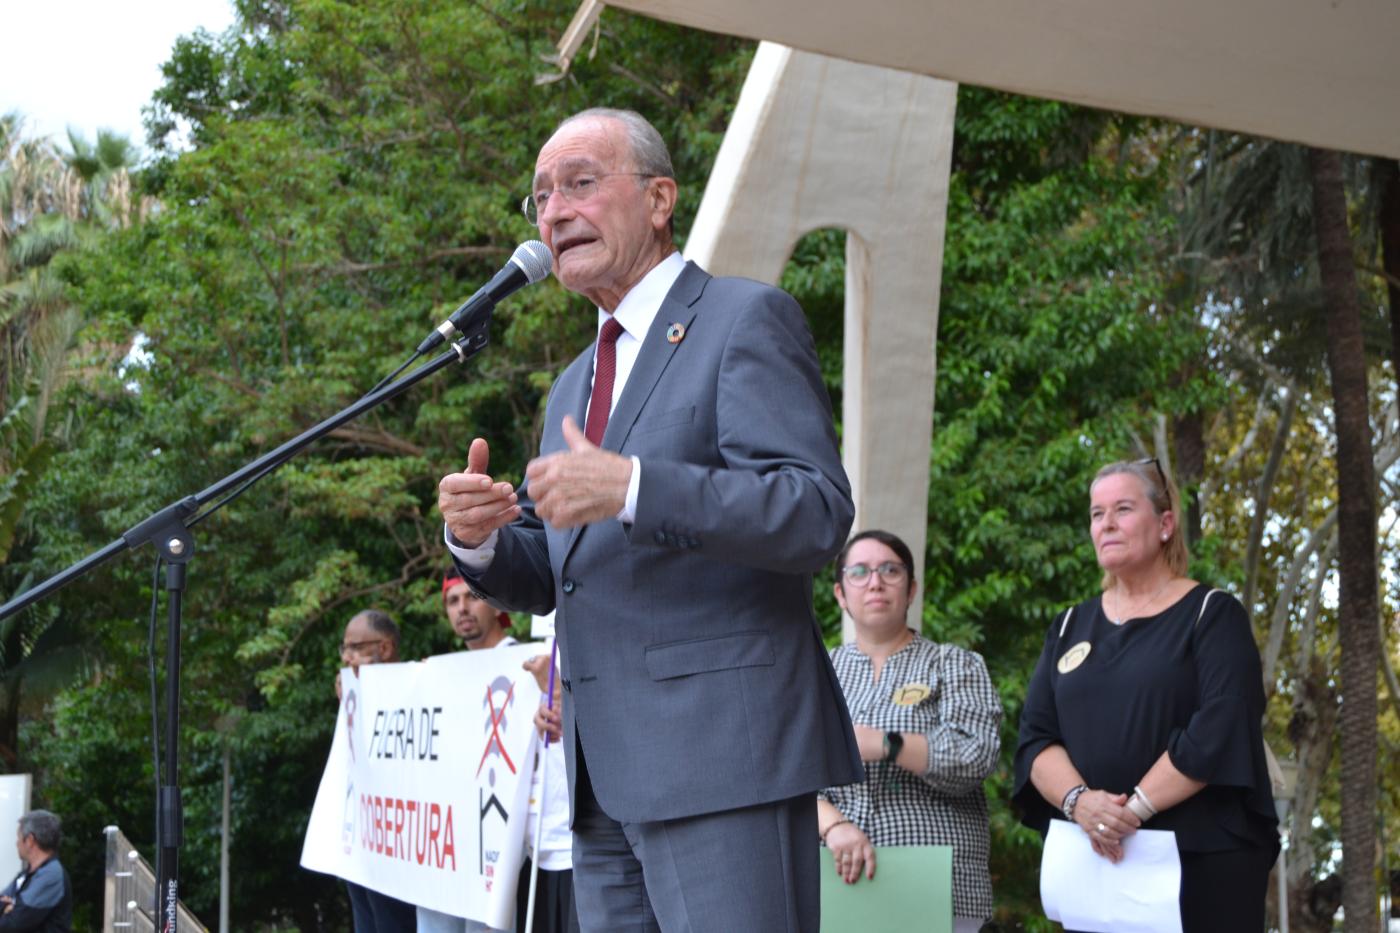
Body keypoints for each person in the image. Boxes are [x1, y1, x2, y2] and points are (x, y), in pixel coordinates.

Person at [437, 107, 862, 932]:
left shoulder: (742, 320)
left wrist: (637, 488)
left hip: (723, 761)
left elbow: (814, 511)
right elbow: (566, 567)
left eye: (581, 184)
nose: (555, 211)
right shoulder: (572, 384)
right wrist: (482, 539)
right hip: (600, 780)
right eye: (540, 199)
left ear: (659, 198)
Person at [1012, 459, 1280, 932]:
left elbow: (1219, 726)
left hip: (1200, 862)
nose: (1106, 523)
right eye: (1097, 514)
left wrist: (1130, 811)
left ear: (1165, 524)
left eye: (1122, 509)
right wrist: (1081, 804)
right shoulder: (1071, 624)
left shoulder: (1213, 614)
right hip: (1096, 866)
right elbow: (1036, 735)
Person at [817, 530, 1000, 933]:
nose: (875, 581)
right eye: (859, 572)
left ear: (912, 588)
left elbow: (976, 756)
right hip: (841, 881)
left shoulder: (955, 665)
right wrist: (834, 826)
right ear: (840, 594)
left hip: (940, 884)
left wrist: (888, 744)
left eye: (890, 570)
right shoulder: (819, 673)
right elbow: (788, 771)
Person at [418, 574, 579, 933]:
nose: (462, 608)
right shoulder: (450, 673)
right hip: (463, 845)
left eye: (471, 597)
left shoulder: (528, 665)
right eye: (452, 601)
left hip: (521, 846)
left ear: (494, 605)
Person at [337, 610, 418, 933]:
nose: (347, 657)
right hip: (362, 845)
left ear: (384, 649)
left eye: (355, 647)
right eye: (344, 649)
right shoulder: (355, 695)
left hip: (399, 850)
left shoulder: (418, 686)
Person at [0, 810, 71, 933]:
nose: (17, 843)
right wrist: (6, 908)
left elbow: (14, 923)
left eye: (19, 837)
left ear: (30, 840)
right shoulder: (25, 875)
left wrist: (12, 908)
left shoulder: (51, 874)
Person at [444, 573, 512, 651]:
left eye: (473, 597)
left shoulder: (521, 659)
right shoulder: (445, 662)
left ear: (497, 606)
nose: (462, 608)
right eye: (453, 601)